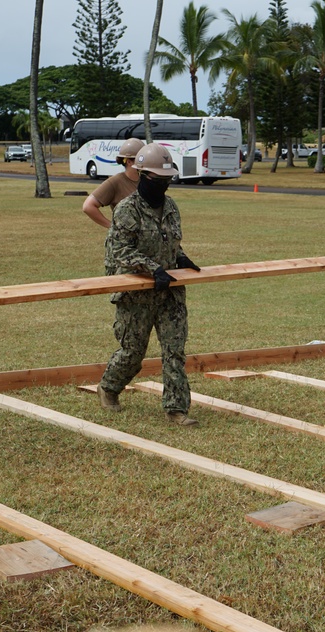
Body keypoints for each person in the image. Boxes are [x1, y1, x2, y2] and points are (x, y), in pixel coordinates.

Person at [97, 143, 202, 426]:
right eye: (158, 180)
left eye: (167, 180)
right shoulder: (127, 209)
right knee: (133, 351)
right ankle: (108, 387)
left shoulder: (170, 207)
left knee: (174, 350)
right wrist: (152, 268)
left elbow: (169, 243)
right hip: (136, 293)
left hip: (169, 291)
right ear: (143, 176)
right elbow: (120, 250)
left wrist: (180, 257)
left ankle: (176, 409)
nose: (163, 186)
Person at [82, 137, 145, 229]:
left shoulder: (146, 181)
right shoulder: (115, 182)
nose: (144, 163)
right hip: (126, 241)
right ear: (129, 161)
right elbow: (88, 206)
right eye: (140, 159)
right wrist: (112, 227)